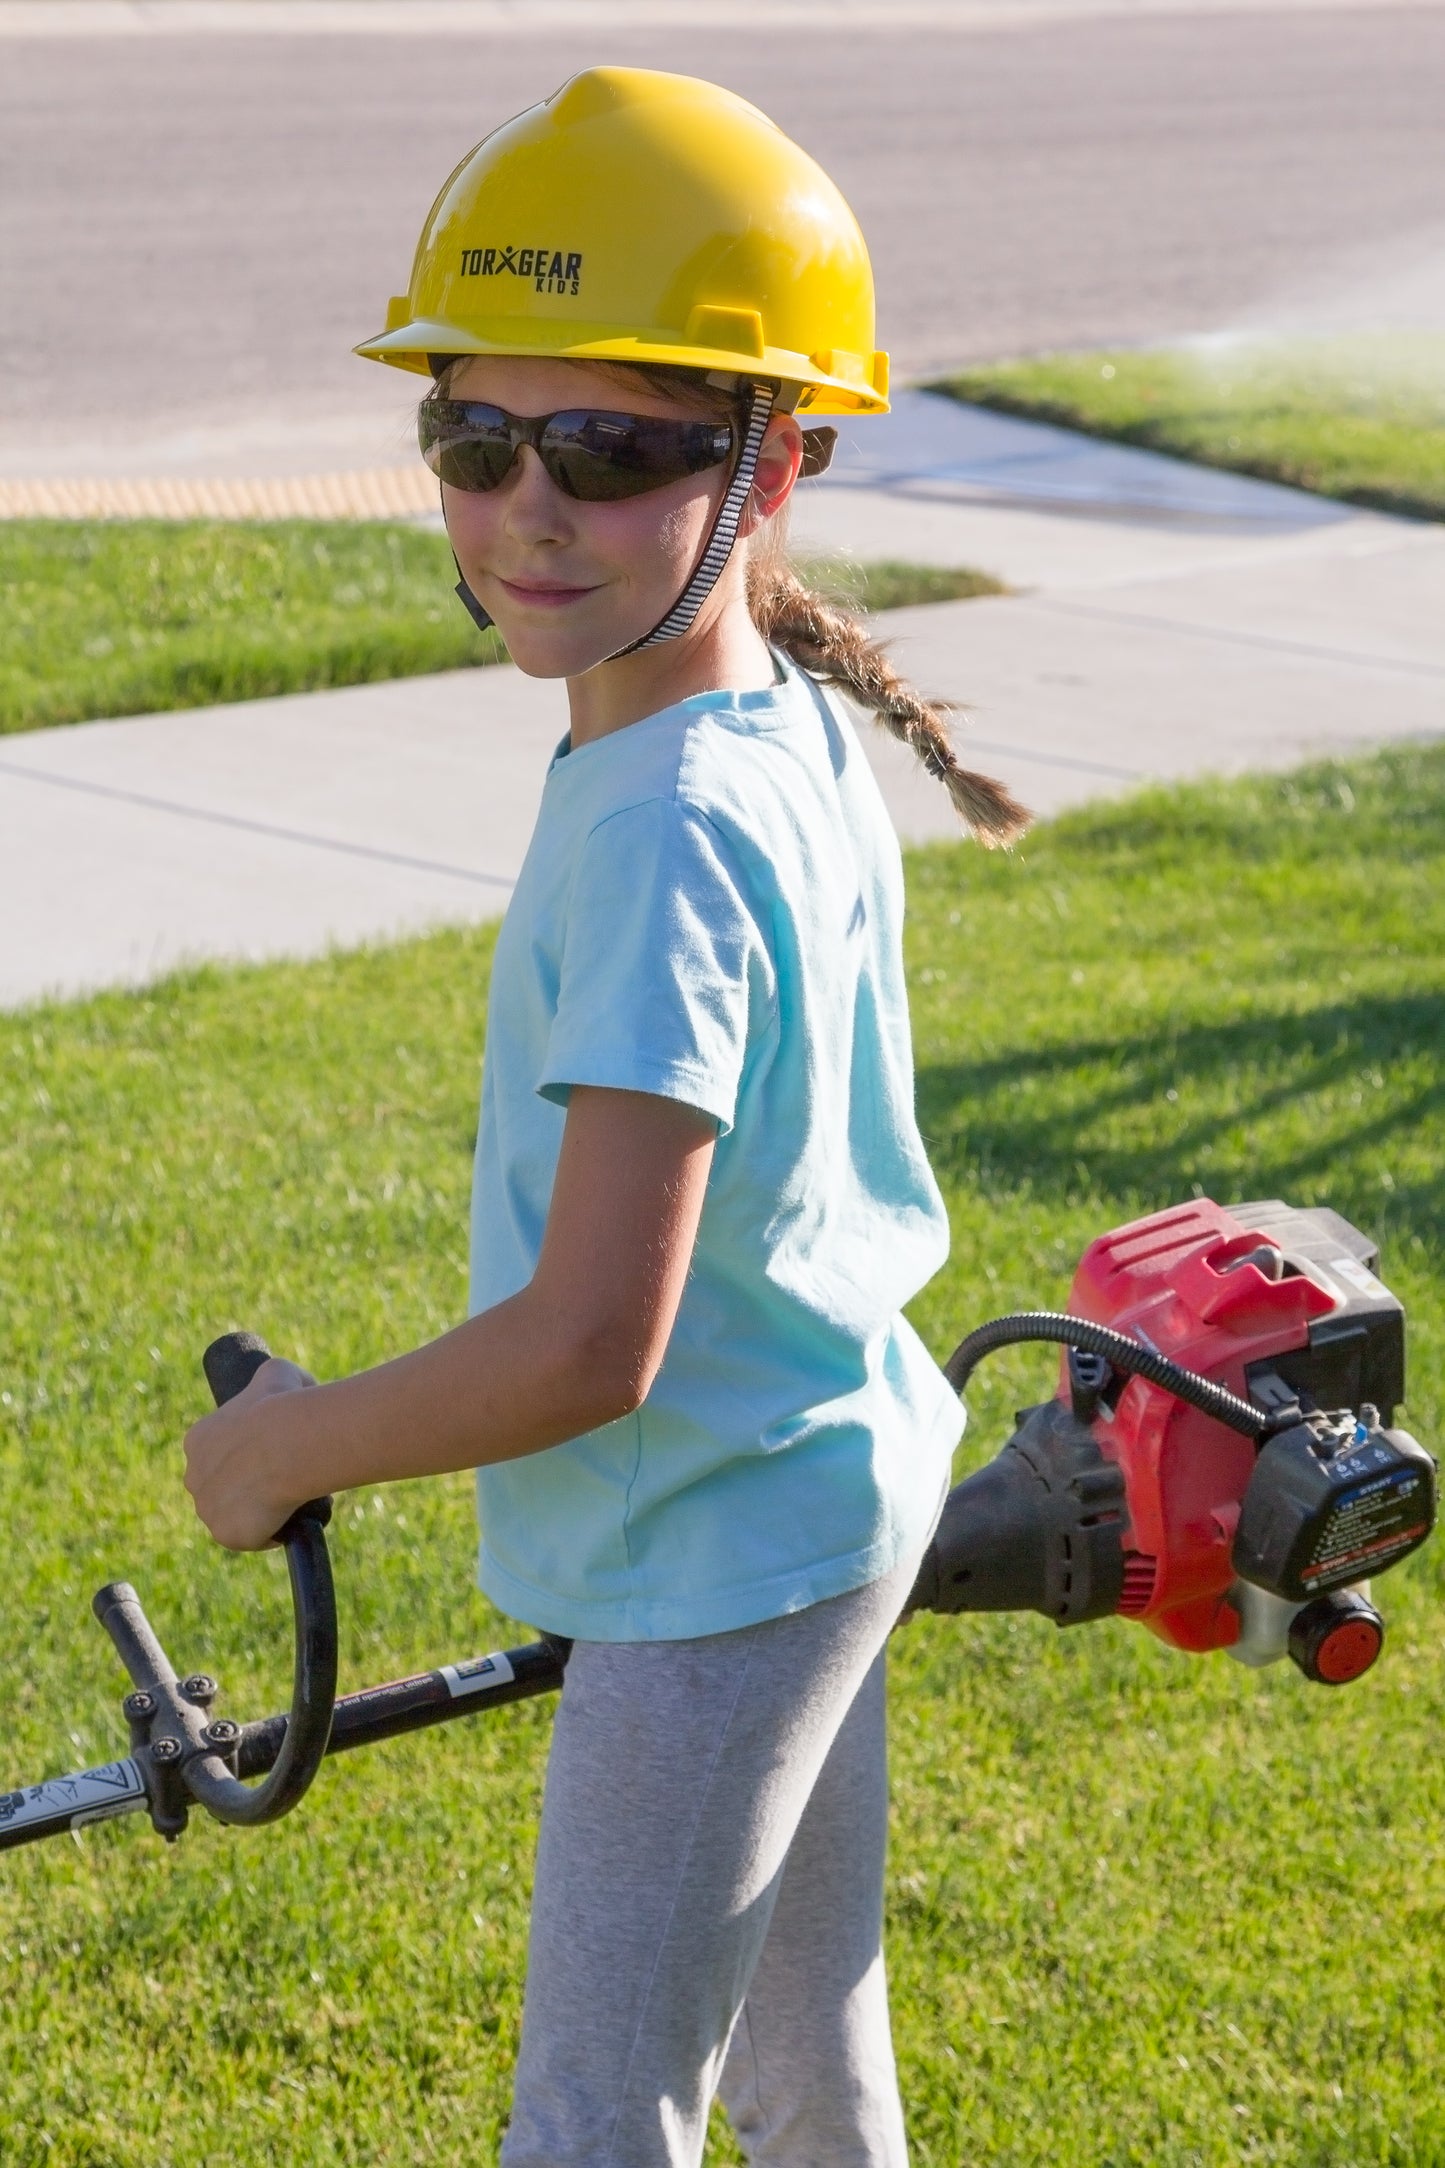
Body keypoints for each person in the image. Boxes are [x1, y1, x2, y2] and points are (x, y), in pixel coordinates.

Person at [183, 66, 1028, 2167]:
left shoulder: (667, 816)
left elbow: (591, 1343)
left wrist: (286, 1440)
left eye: (616, 449)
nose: (527, 510)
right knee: (813, 2072)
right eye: (474, 439)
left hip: (722, 1555)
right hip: (831, 1486)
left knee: (594, 2110)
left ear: (774, 465)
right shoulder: (761, 724)